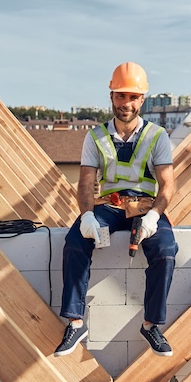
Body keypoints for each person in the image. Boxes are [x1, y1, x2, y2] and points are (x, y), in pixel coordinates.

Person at [55, 62, 178, 358]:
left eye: (133, 97)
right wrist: (86, 215)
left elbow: (168, 185)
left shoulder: (157, 136)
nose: (126, 103)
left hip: (145, 206)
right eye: (121, 96)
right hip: (110, 206)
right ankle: (75, 321)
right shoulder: (95, 136)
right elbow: (86, 183)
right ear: (111, 96)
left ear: (142, 100)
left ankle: (151, 324)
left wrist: (153, 217)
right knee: (74, 242)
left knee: (165, 250)